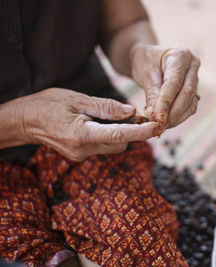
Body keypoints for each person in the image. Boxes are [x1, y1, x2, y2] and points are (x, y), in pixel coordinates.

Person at [0, 0, 200, 266]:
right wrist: (22, 122)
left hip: (90, 118)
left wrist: (141, 53)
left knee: (139, 237)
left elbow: (124, 23)